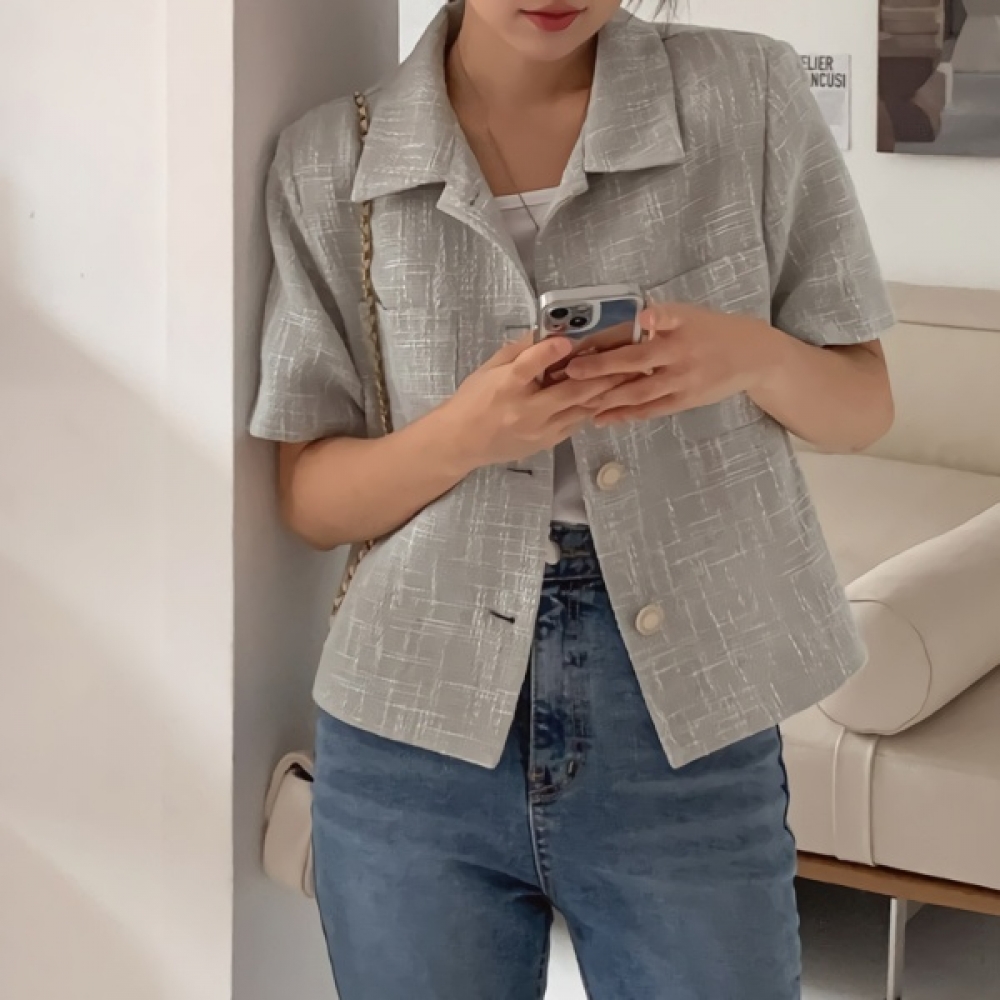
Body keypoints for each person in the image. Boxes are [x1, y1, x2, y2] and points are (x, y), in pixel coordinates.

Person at [250, 1, 896, 997]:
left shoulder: (749, 95)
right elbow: (310, 498)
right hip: (411, 732)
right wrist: (469, 432)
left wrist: (751, 356)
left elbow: (862, 403)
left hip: (685, 718)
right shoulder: (330, 158)